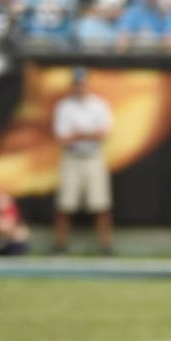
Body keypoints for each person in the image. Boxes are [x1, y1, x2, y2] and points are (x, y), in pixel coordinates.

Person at [52, 66, 115, 255]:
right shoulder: (64, 106)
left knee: (101, 204)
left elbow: (104, 133)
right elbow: (62, 138)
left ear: (87, 84)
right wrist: (89, 134)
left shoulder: (99, 105)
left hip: (93, 157)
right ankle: (60, 246)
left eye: (82, 83)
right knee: (65, 204)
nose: (80, 87)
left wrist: (77, 133)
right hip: (71, 157)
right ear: (73, 85)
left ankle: (105, 247)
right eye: (76, 84)